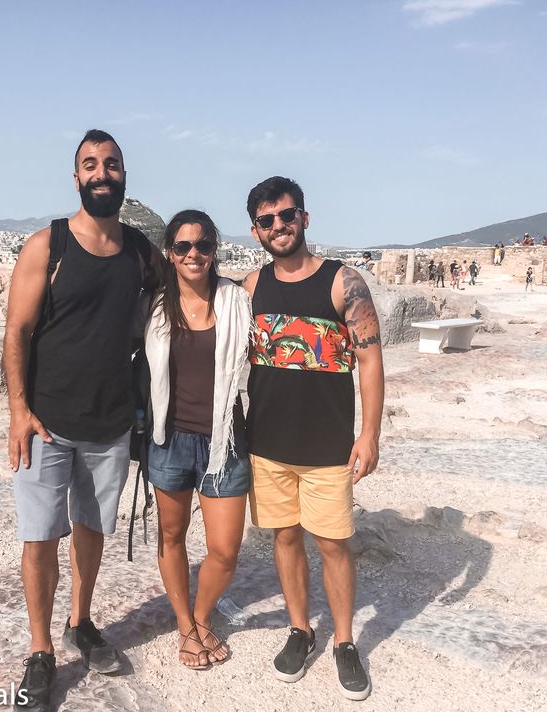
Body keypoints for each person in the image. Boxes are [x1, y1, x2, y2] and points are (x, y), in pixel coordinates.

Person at [3, 129, 161, 712]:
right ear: (76, 178)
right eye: (90, 165)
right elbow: (16, 331)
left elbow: (180, 293)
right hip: (46, 420)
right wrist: (18, 411)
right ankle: (40, 650)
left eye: (111, 164)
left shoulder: (140, 251)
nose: (101, 173)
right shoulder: (48, 245)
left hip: (109, 421)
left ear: (124, 175)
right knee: (40, 536)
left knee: (92, 528)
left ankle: (81, 622)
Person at [242, 177, 384, 701]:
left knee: (333, 544)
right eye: (266, 220)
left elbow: (370, 359)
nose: (278, 226)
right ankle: (300, 629)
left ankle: (344, 641)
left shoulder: (343, 282)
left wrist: (369, 434)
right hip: (267, 443)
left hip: (327, 445)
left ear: (304, 217)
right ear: (255, 230)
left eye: (286, 215)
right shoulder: (251, 287)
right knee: (284, 538)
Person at [144, 209, 253, 670]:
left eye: (203, 245)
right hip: (169, 439)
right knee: (172, 536)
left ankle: (203, 615)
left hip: (225, 441)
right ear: (170, 253)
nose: (194, 254)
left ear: (214, 251)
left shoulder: (237, 300)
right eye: (183, 246)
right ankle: (186, 625)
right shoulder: (153, 306)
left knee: (225, 550)